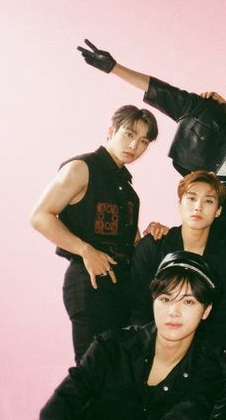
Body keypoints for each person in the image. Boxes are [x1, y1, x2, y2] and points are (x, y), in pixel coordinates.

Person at [78, 40, 226, 274]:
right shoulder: (207, 110)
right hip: (199, 215)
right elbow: (162, 93)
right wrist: (114, 67)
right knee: (186, 280)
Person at [41, 251, 226, 419]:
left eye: (188, 302)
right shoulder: (111, 348)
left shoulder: (215, 374)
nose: (174, 311)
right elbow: (57, 408)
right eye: (165, 299)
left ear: (206, 310)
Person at [30, 105, 161, 362]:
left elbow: (133, 245)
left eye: (143, 141)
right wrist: (85, 250)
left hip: (122, 290)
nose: (134, 145)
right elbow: (40, 216)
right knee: (91, 372)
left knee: (117, 374)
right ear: (111, 131)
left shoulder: (128, 191)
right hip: (89, 283)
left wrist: (153, 233)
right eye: (129, 134)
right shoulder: (82, 168)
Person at [130, 170, 226, 358]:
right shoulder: (153, 247)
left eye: (208, 201)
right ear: (179, 204)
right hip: (154, 345)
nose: (198, 207)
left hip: (208, 350)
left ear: (218, 210)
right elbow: (139, 306)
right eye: (191, 198)